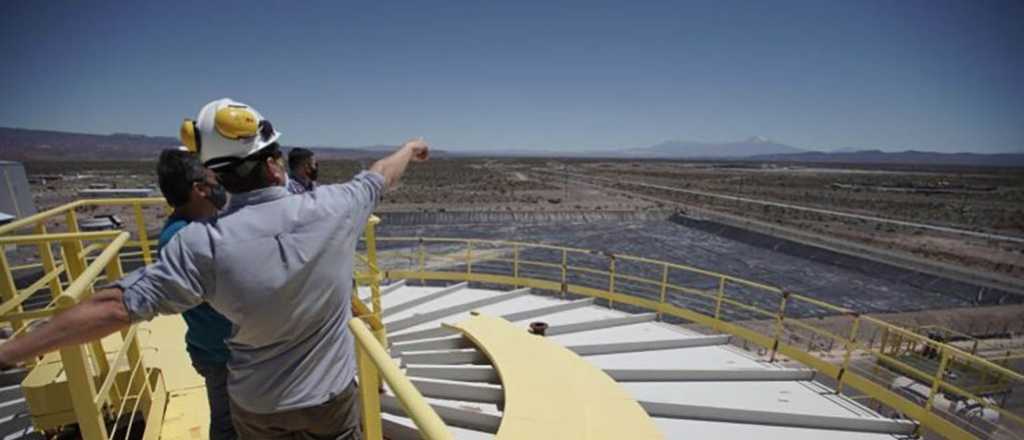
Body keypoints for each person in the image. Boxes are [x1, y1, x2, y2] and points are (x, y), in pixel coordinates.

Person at [0, 98, 429, 440]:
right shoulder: (336, 208)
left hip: (257, 407)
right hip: (329, 399)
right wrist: (409, 148)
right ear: (275, 162)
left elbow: (113, 307)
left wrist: (12, 351)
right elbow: (379, 175)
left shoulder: (198, 246)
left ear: (216, 176)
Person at [155, 149, 236, 440]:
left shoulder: (198, 225)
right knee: (229, 425)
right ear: (198, 189)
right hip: (222, 354)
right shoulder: (180, 239)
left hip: (223, 348)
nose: (219, 184)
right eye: (212, 178)